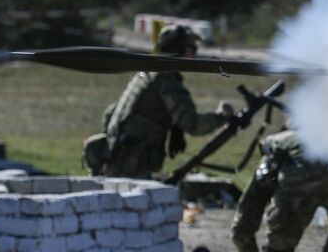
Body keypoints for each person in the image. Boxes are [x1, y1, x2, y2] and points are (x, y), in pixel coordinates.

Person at [90, 24, 234, 179]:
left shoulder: (147, 72)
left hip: (116, 159)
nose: (194, 54)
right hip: (130, 167)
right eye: (191, 48)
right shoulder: (165, 79)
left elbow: (111, 113)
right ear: (180, 49)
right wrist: (222, 116)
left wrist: (173, 126)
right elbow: (193, 124)